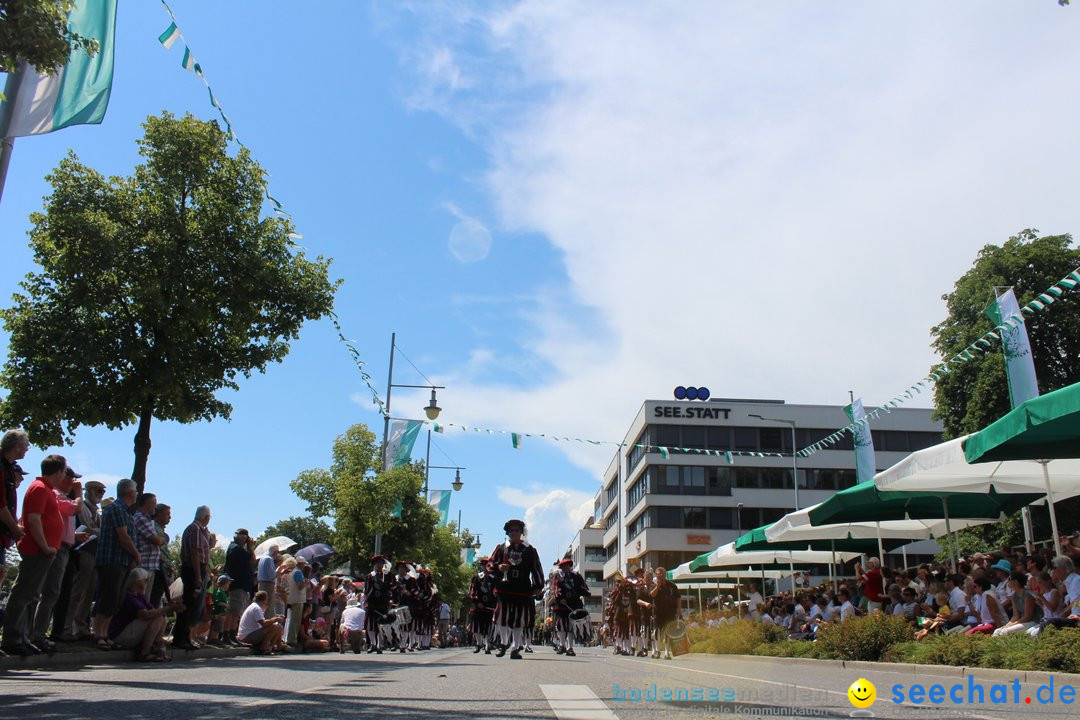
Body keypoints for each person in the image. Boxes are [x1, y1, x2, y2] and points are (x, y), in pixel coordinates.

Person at [1, 455, 69, 655]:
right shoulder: (39, 488)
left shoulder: (46, 489)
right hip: (37, 549)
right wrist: (45, 545)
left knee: (31, 595)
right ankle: (12, 639)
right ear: (58, 471)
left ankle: (22, 636)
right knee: (23, 594)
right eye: (64, 471)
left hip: (44, 550)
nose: (64, 475)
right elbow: (33, 520)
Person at [92, 478, 140, 650]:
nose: (137, 494)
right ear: (130, 493)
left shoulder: (126, 511)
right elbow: (123, 536)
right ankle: (98, 634)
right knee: (107, 597)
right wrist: (136, 554)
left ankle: (106, 634)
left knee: (116, 600)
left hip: (122, 561)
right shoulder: (116, 508)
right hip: (111, 560)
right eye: (136, 490)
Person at [489, 518, 544, 659]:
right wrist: (498, 567)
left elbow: (536, 568)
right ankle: (503, 643)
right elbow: (490, 563)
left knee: (519, 618)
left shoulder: (530, 549)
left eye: (517, 530)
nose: (514, 532)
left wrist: (538, 585)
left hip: (522, 588)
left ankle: (515, 647)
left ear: (521, 532)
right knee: (503, 616)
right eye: (511, 530)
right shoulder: (501, 548)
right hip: (504, 587)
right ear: (508, 532)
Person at [60, 479, 105, 641]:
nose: (101, 495)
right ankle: (67, 627)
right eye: (99, 491)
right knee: (77, 592)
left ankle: (81, 626)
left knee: (89, 593)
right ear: (90, 491)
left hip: (94, 553)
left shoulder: (96, 511)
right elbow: (88, 527)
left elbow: (96, 529)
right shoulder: (83, 508)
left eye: (103, 492)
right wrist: (101, 531)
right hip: (82, 552)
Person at [109, 568, 184, 662]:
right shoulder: (129, 595)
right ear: (136, 581)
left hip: (129, 631)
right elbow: (144, 614)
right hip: (119, 634)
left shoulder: (139, 596)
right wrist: (168, 609)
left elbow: (154, 610)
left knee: (162, 619)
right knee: (158, 619)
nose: (147, 582)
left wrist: (171, 607)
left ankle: (156, 648)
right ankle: (144, 653)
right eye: (145, 580)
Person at [172, 505, 211, 650]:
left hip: (196, 569)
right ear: (205, 517)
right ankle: (180, 638)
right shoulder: (194, 529)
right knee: (189, 604)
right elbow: (194, 553)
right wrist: (198, 575)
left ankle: (186, 637)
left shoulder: (199, 530)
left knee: (193, 606)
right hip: (194, 569)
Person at [0, 430, 30, 586]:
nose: (27, 448)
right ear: (17, 446)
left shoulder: (8, 468)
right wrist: (14, 528)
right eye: (26, 445)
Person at [551, 557, 591, 657]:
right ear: (561, 567)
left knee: (571, 627)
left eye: (567, 565)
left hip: (574, 604)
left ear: (570, 566)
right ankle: (562, 645)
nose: (565, 567)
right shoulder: (558, 576)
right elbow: (555, 588)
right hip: (562, 605)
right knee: (561, 626)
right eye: (563, 566)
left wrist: (586, 593)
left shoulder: (576, 576)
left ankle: (570, 647)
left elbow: (583, 587)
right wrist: (560, 598)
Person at [223, 528, 256, 646]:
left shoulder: (236, 548)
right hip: (237, 585)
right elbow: (253, 560)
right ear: (243, 537)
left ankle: (231, 635)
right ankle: (227, 635)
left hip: (239, 585)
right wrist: (251, 547)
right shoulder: (236, 548)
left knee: (235, 613)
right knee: (233, 612)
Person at [133, 493, 165, 604]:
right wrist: (161, 539)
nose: (155, 507)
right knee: (141, 600)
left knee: (145, 600)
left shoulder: (147, 520)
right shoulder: (140, 518)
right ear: (146, 503)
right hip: (143, 565)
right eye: (154, 503)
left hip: (149, 566)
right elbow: (156, 540)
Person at [364, 555, 397, 653]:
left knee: (381, 624)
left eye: (381, 563)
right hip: (372, 602)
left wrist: (390, 597)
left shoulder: (388, 575)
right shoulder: (370, 575)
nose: (379, 565)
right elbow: (367, 590)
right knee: (370, 624)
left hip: (383, 602)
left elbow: (394, 587)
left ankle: (379, 644)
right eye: (378, 563)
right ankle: (373, 644)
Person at [238, 590, 285, 655]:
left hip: (248, 634)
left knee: (277, 627)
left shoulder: (254, 606)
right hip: (247, 636)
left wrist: (273, 619)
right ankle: (264, 648)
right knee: (274, 627)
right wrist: (275, 619)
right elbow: (263, 623)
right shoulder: (256, 608)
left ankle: (271, 647)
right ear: (264, 599)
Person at [468, 557, 497, 653]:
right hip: (478, 606)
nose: (486, 568)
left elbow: (496, 592)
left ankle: (487, 644)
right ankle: (478, 643)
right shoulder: (476, 578)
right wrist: (477, 602)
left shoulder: (494, 579)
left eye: (488, 566)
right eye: (484, 566)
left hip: (489, 606)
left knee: (488, 627)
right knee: (476, 626)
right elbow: (472, 591)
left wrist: (495, 602)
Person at [283, 555, 309, 650]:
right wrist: (306, 583)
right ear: (300, 564)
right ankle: (292, 640)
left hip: (291, 597)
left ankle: (289, 638)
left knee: (291, 620)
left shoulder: (290, 572)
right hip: (297, 599)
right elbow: (300, 586)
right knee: (295, 620)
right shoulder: (298, 572)